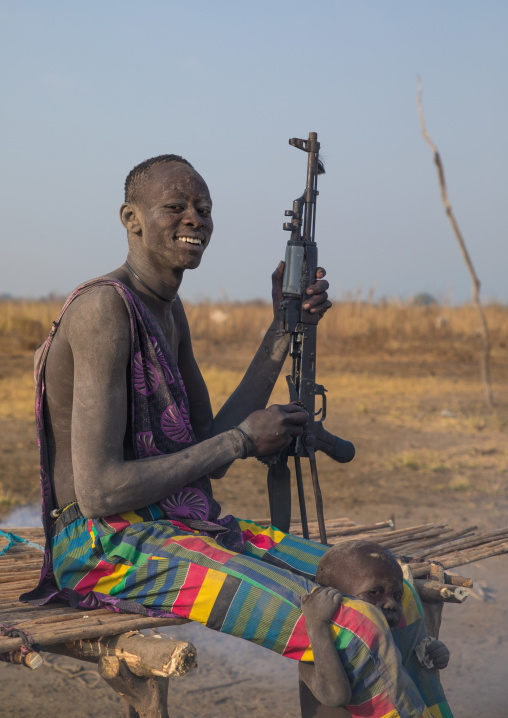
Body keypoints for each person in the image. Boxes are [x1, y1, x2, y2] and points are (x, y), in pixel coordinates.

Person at [24, 154, 448, 718]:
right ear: (131, 218)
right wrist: (242, 441)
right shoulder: (105, 309)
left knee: (383, 589)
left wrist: (282, 327)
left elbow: (207, 451)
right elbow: (100, 493)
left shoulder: (168, 314)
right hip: (105, 547)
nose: (194, 219)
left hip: (173, 525)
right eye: (175, 207)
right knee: (352, 625)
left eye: (203, 208)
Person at [299, 540, 451, 717]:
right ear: (334, 598)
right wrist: (317, 625)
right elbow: (335, 696)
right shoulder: (314, 647)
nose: (391, 604)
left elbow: (406, 678)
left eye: (397, 596)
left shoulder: (387, 645)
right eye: (374, 592)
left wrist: (433, 654)